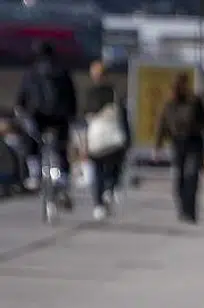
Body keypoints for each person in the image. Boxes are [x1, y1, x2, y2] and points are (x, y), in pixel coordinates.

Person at [15, 41, 78, 206]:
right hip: (60, 118)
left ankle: (34, 174)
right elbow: (72, 99)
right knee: (62, 148)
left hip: (37, 117)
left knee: (30, 142)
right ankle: (63, 177)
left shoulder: (30, 74)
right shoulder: (63, 73)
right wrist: (72, 116)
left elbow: (21, 100)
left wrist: (21, 112)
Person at [154, 73, 204, 223]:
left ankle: (190, 211)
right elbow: (162, 124)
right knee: (179, 178)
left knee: (191, 176)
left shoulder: (195, 102)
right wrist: (157, 146)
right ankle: (183, 208)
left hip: (194, 142)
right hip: (178, 143)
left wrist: (198, 125)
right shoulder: (169, 104)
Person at [83, 60, 128, 219]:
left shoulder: (89, 94)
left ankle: (99, 205)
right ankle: (109, 190)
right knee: (113, 168)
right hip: (113, 138)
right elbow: (122, 116)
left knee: (97, 172)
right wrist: (128, 138)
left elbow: (85, 118)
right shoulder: (114, 93)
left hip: (95, 138)